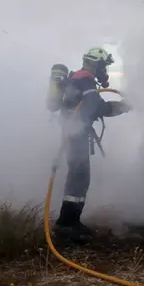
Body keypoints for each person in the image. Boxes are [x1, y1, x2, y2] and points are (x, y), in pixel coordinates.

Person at [47, 46, 131, 242]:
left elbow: (88, 106)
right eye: (104, 66)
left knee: (78, 174)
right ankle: (67, 224)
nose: (105, 71)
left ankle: (69, 221)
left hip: (73, 131)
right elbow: (96, 107)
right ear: (96, 64)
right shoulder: (85, 78)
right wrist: (122, 106)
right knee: (80, 175)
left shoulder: (76, 77)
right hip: (75, 133)